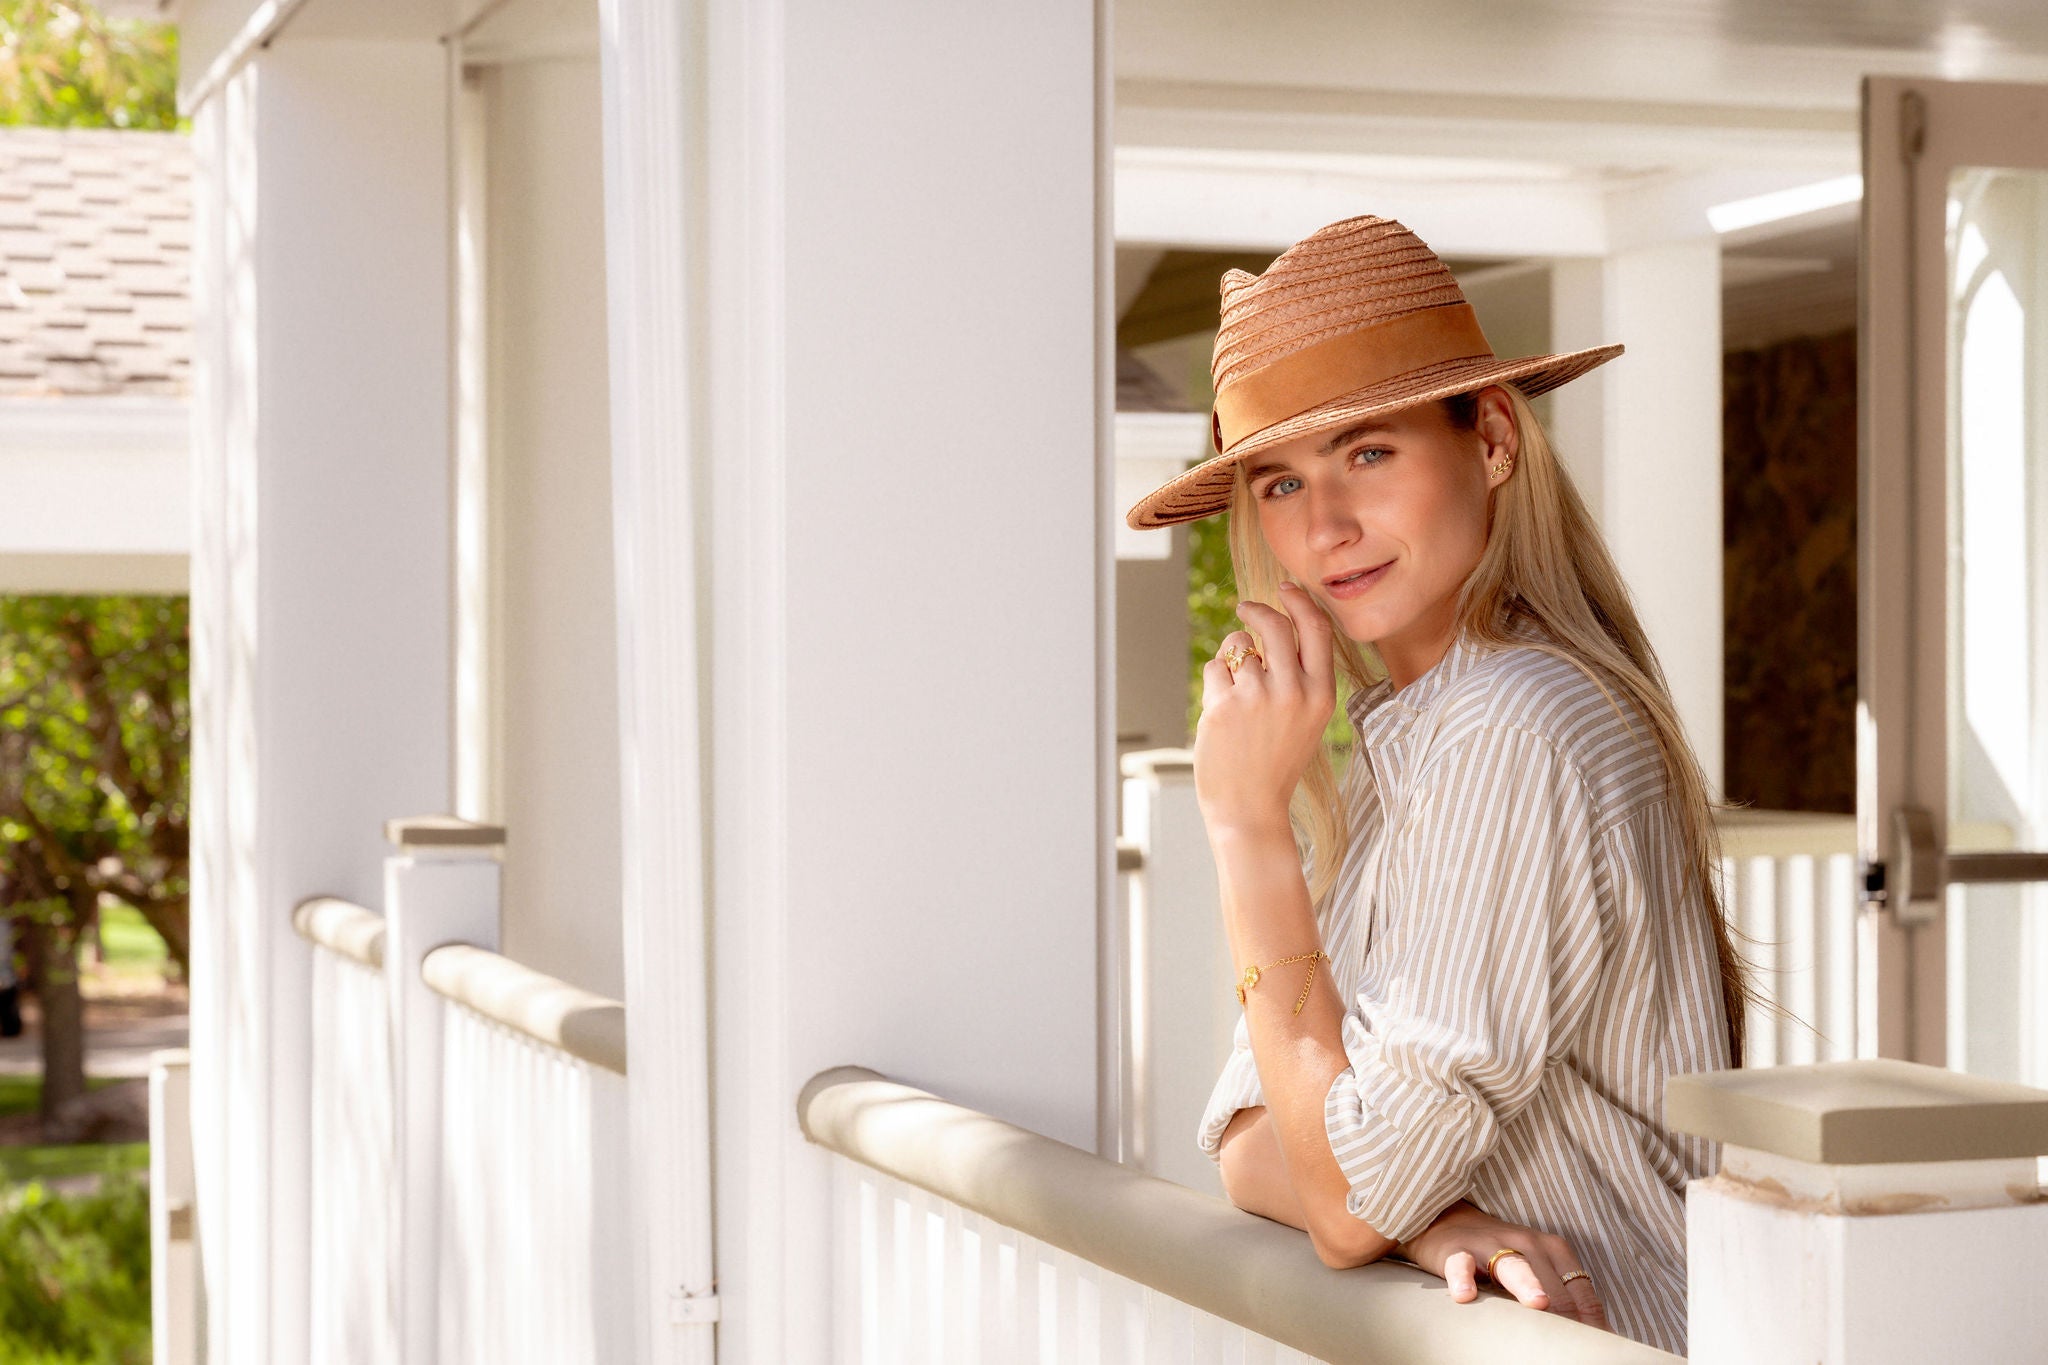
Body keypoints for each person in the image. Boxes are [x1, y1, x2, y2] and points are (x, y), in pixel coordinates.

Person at [1123, 214, 1756, 1357]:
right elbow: (1251, 1145)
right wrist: (1427, 1217)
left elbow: (1341, 1194)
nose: (1324, 526)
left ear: (1493, 439)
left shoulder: (1514, 724)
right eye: (1278, 482)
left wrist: (1245, 826)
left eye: (1367, 453)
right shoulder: (1406, 745)